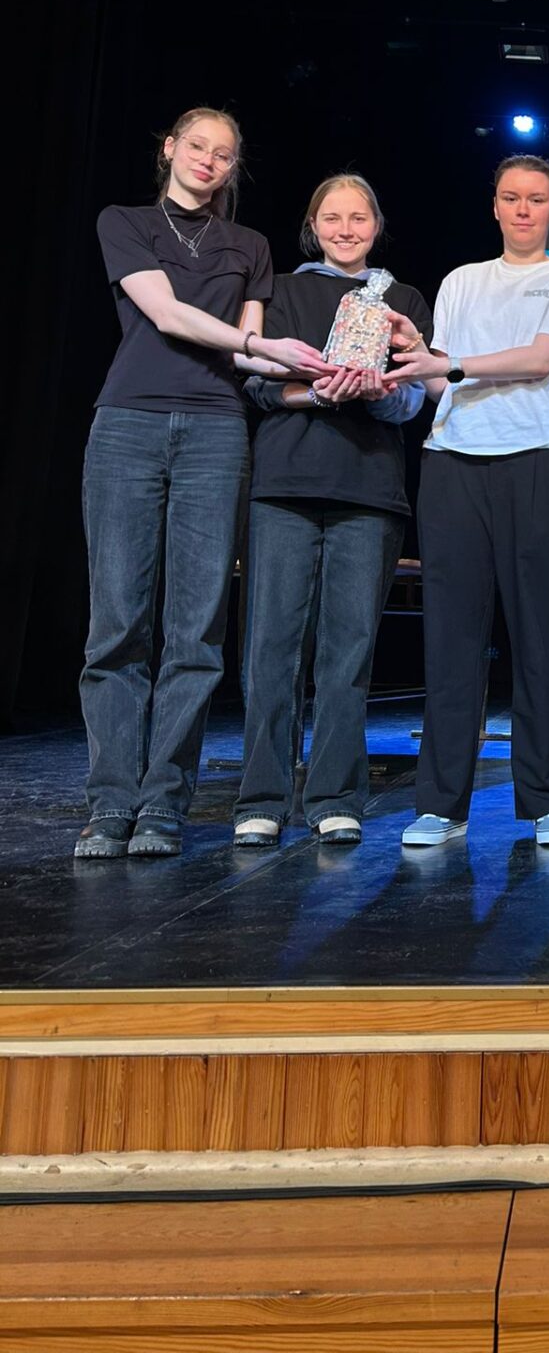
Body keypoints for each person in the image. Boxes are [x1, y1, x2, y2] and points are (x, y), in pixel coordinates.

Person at [76, 107, 327, 860]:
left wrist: (306, 362)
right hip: (128, 423)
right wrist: (259, 342)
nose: (208, 161)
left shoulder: (249, 245)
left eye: (223, 153)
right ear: (170, 149)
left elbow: (246, 355)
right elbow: (166, 314)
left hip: (216, 431)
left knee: (196, 630)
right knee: (118, 626)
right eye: (197, 146)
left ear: (233, 166)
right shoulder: (124, 222)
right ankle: (110, 803)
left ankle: (162, 805)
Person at [384, 154, 549, 848]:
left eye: (536, 198)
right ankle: (440, 806)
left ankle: (548, 803)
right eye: (511, 197)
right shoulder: (461, 280)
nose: (523, 209)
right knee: (452, 637)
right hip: (453, 462)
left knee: (538, 634)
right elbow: (443, 385)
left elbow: (540, 359)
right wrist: (420, 351)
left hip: (541, 458)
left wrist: (446, 362)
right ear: (495, 206)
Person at [231, 174, 433, 849]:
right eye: (332, 218)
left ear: (377, 225)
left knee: (348, 651)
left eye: (358, 218)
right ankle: (261, 798)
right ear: (312, 226)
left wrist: (376, 392)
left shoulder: (403, 299)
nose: (345, 230)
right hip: (284, 486)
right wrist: (321, 391)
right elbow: (256, 384)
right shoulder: (280, 291)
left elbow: (412, 399)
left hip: (369, 490)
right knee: (271, 649)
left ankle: (335, 798)